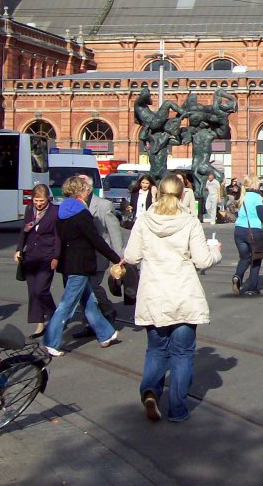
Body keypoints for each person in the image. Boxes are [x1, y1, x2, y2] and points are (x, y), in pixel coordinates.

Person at [124, 173, 222, 423]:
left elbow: (132, 256)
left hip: (154, 293)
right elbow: (202, 261)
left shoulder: (144, 220)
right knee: (182, 353)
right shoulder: (189, 222)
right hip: (183, 294)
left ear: (157, 193)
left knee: (156, 350)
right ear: (182, 194)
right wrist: (216, 253)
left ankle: (150, 391)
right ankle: (177, 408)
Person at [44, 176, 123, 357]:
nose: (89, 191)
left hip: (67, 262)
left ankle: (106, 333)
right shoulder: (81, 212)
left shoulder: (61, 210)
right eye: (86, 188)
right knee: (67, 304)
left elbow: (59, 238)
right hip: (80, 264)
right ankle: (50, 341)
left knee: (88, 302)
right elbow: (95, 239)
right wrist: (115, 257)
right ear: (80, 191)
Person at [74, 174, 125, 335]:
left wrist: (118, 257)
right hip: (80, 255)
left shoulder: (104, 205)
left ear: (88, 189)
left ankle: (108, 310)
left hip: (98, 255)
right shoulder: (74, 204)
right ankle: (88, 323)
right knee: (83, 289)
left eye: (81, 187)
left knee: (92, 286)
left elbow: (114, 232)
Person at [14, 184, 58, 339]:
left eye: (41, 200)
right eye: (36, 200)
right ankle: (40, 323)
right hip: (30, 255)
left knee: (41, 289)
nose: (38, 204)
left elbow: (58, 236)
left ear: (48, 198)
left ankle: (54, 313)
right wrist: (19, 249)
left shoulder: (55, 212)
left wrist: (56, 257)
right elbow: (24, 230)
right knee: (33, 291)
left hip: (47, 255)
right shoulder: (29, 210)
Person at [233, 176, 263, 295]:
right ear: (254, 184)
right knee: (256, 258)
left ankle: (237, 276)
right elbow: (262, 216)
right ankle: (252, 287)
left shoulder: (242, 195)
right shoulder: (256, 197)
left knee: (244, 258)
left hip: (239, 230)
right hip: (253, 230)